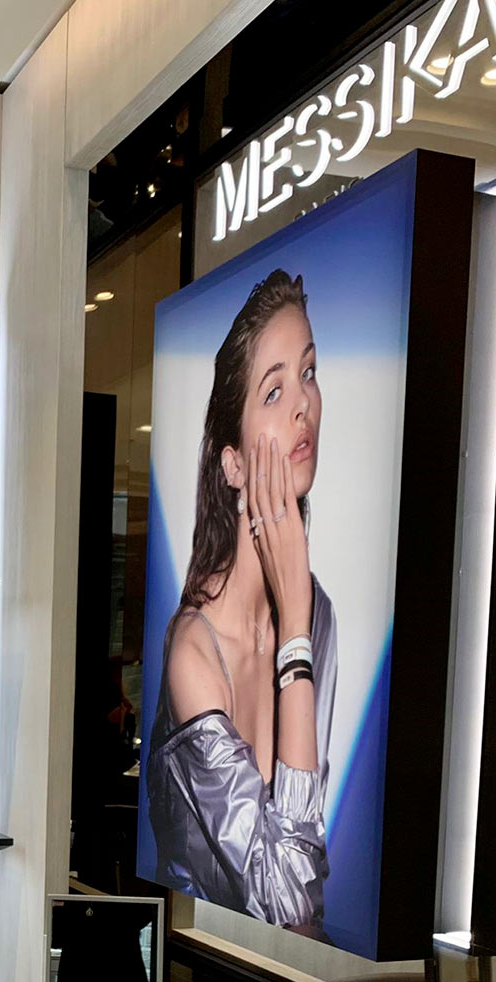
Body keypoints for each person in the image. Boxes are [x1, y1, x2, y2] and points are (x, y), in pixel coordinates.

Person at [146, 269, 337, 935]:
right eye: (274, 390)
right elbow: (287, 900)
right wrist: (294, 635)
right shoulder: (194, 651)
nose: (302, 405)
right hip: (202, 967)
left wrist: (297, 621)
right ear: (232, 465)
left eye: (308, 373)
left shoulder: (318, 614)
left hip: (296, 976)